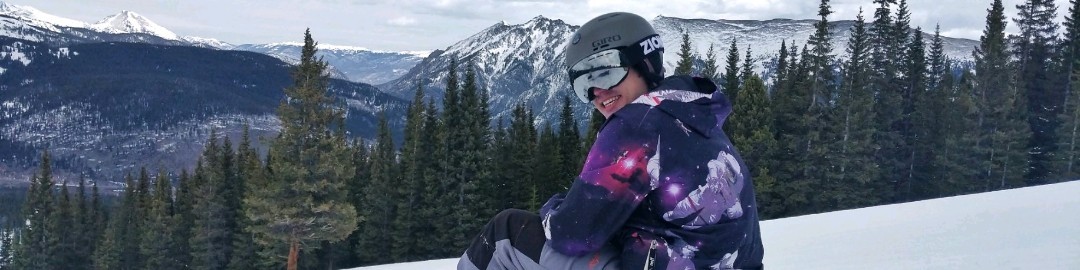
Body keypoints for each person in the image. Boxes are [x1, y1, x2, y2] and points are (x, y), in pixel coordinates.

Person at [458, 12, 764, 270]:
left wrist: (553, 209)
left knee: (506, 233)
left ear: (645, 63)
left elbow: (573, 233)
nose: (597, 94)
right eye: (584, 84)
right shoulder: (689, 111)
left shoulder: (636, 123)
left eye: (605, 73)